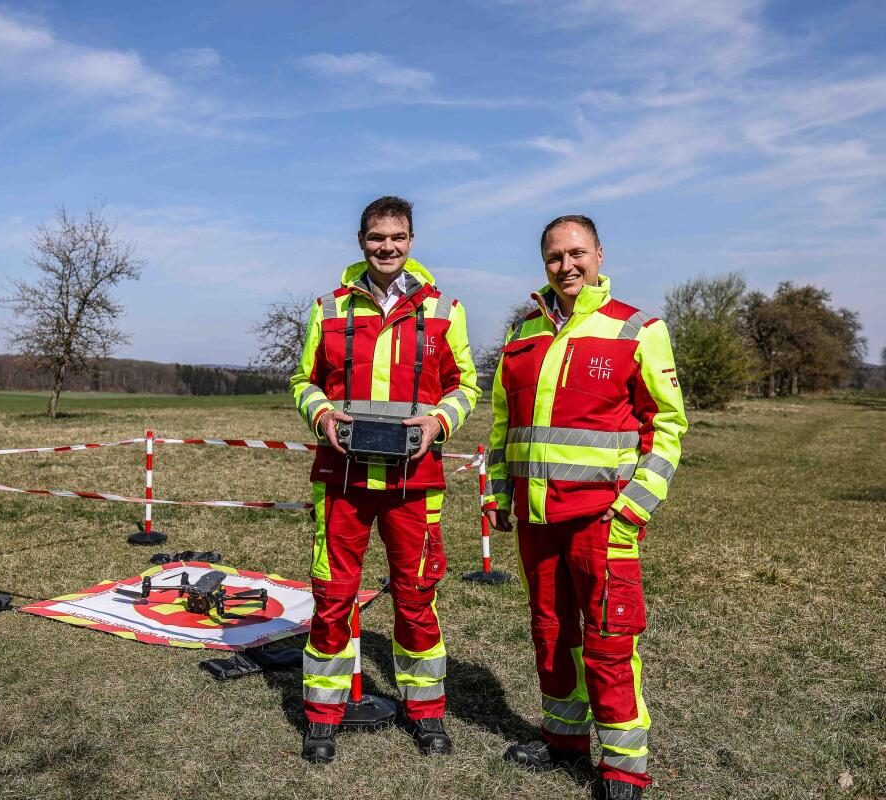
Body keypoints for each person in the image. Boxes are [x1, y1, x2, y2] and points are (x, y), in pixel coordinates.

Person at [484, 215, 687, 799]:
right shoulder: (522, 333)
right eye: (554, 257)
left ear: (599, 253)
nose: (566, 265)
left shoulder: (638, 329)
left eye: (577, 253)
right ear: (543, 262)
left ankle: (624, 767)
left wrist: (633, 510)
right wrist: (499, 494)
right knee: (550, 633)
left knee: (607, 640)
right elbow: (504, 426)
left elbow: (667, 429)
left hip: (604, 522)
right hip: (536, 522)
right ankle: (564, 739)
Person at [288, 196, 480, 763]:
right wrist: (321, 415)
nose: (387, 247)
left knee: (417, 599)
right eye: (377, 237)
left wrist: (440, 420)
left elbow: (467, 386)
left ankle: (426, 713)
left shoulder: (446, 310)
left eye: (397, 237)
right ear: (360, 240)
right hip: (342, 480)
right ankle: (324, 716)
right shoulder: (327, 308)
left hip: (414, 484)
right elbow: (303, 380)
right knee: (332, 598)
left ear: (412, 241)